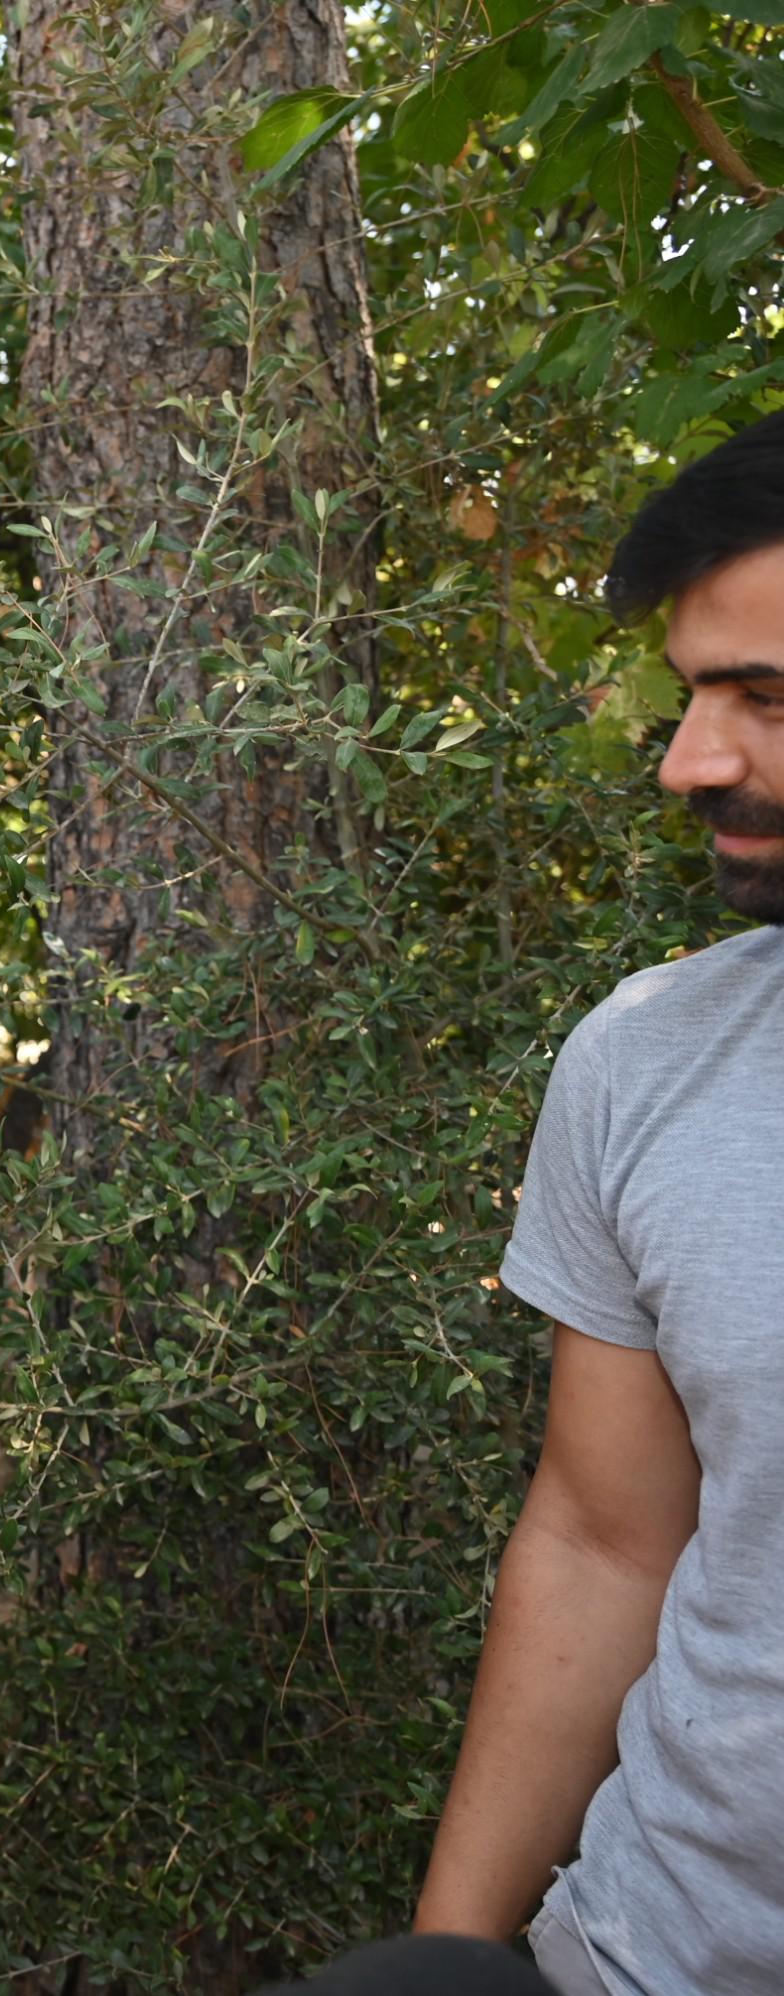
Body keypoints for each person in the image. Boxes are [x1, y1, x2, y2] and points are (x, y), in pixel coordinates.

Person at [416, 414, 784, 1992]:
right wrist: (450, 1959)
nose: (690, 760)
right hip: (641, 1951)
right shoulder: (652, 1061)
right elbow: (604, 1540)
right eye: (693, 695)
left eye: (764, 697)